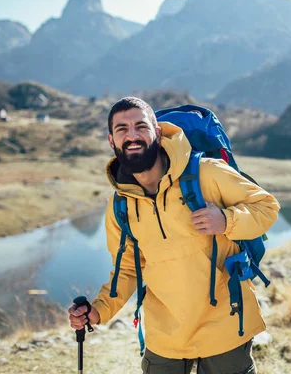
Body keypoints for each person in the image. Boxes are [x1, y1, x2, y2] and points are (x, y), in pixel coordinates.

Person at [68, 97, 280, 373]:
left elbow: (266, 207)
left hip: (226, 325)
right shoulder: (120, 205)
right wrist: (99, 310)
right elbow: (130, 267)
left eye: (140, 126)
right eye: (122, 129)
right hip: (165, 336)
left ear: (157, 131)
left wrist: (226, 220)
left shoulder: (207, 173)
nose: (132, 136)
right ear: (111, 141)